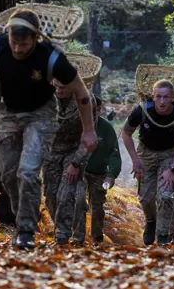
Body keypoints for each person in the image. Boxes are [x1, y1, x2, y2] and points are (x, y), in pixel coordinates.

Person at [0, 9, 98, 249]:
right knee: (9, 174)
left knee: (28, 172)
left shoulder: (51, 58)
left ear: (36, 38)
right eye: (14, 42)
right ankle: (24, 219)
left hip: (41, 115)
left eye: (24, 43)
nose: (18, 49)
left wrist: (89, 131)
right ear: (7, 35)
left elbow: (82, 94)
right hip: (9, 114)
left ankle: (26, 231)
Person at [121, 79, 174, 245]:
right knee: (146, 198)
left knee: (166, 196)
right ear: (153, 97)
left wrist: (173, 167)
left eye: (166, 97)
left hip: (169, 154)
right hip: (146, 154)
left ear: (173, 98)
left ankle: (162, 236)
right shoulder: (141, 111)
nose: (162, 101)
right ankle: (150, 221)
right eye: (158, 96)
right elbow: (126, 134)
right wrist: (135, 159)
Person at [42, 80, 94, 245]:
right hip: (51, 152)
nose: (58, 90)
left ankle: (61, 237)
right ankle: (62, 227)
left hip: (74, 151)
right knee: (50, 196)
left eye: (62, 86)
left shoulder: (85, 100)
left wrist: (76, 163)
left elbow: (89, 137)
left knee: (65, 194)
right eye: (55, 86)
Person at [73, 96, 122, 244]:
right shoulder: (75, 125)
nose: (91, 114)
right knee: (79, 201)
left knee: (97, 206)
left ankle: (97, 238)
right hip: (79, 171)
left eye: (94, 111)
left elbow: (114, 154)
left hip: (99, 173)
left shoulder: (106, 129)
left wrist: (111, 175)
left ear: (99, 110)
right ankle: (78, 238)